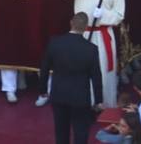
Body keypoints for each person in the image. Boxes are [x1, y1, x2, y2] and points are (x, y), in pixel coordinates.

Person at [58, 0, 124, 107]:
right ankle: (80, 102)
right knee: (79, 69)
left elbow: (119, 15)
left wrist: (104, 15)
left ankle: (101, 103)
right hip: (80, 33)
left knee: (101, 71)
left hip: (101, 36)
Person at [40, 13, 102, 144]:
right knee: (81, 133)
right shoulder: (91, 49)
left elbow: (44, 68)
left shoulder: (55, 43)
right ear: (86, 27)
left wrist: (43, 90)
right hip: (80, 98)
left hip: (59, 95)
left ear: (71, 23)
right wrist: (98, 100)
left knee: (61, 132)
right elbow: (96, 76)